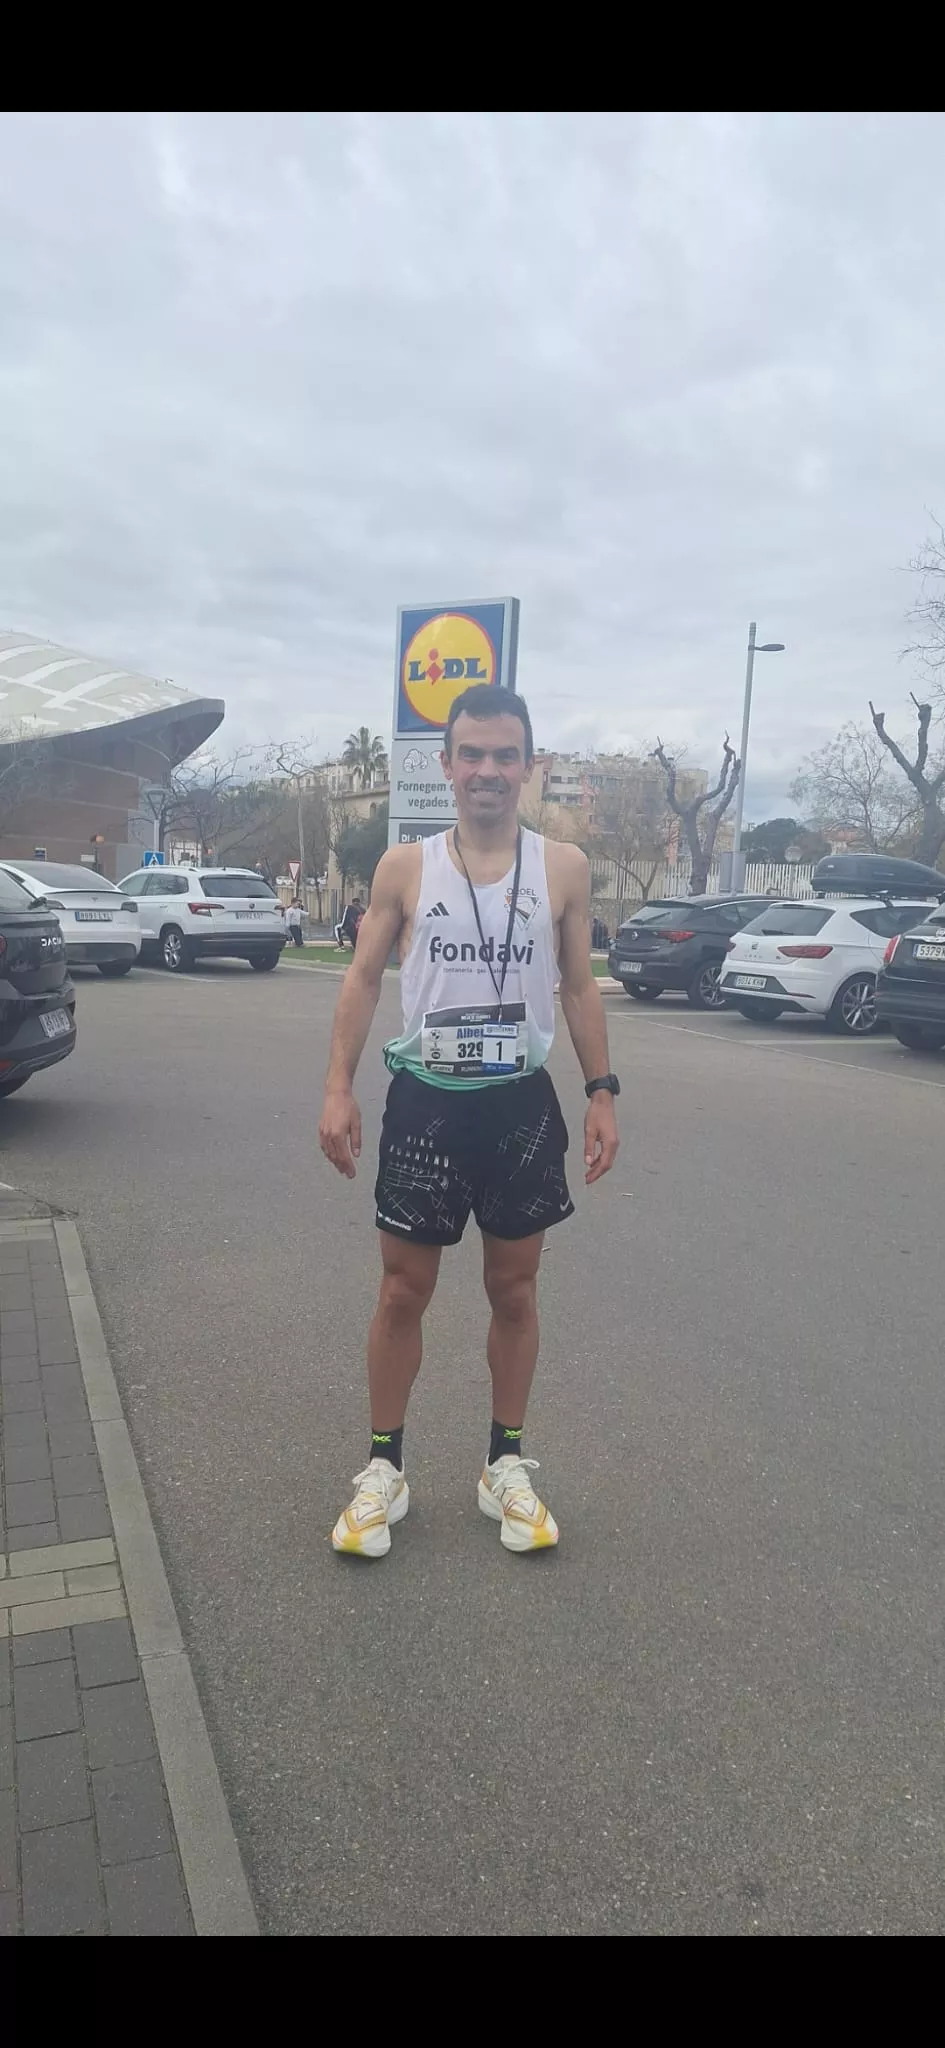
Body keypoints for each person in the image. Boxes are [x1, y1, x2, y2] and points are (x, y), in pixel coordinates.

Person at [319, 684, 620, 1559]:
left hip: (519, 1107)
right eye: (472, 755)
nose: (487, 771)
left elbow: (576, 986)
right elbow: (363, 978)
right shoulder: (405, 868)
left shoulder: (561, 867)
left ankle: (504, 1467)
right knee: (401, 1291)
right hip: (426, 1106)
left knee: (514, 1291)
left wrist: (602, 1090)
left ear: (527, 767)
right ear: (446, 765)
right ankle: (384, 1471)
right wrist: (337, 1085)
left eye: (504, 755)